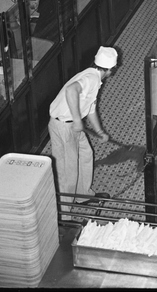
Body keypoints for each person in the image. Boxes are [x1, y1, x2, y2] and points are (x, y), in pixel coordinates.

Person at [48, 46, 118, 217]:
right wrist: (78, 120)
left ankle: (83, 195)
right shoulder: (91, 79)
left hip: (72, 124)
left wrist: (100, 131)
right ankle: (64, 217)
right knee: (67, 171)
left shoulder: (94, 76)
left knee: (86, 154)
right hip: (65, 126)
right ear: (110, 70)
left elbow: (90, 108)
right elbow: (71, 90)